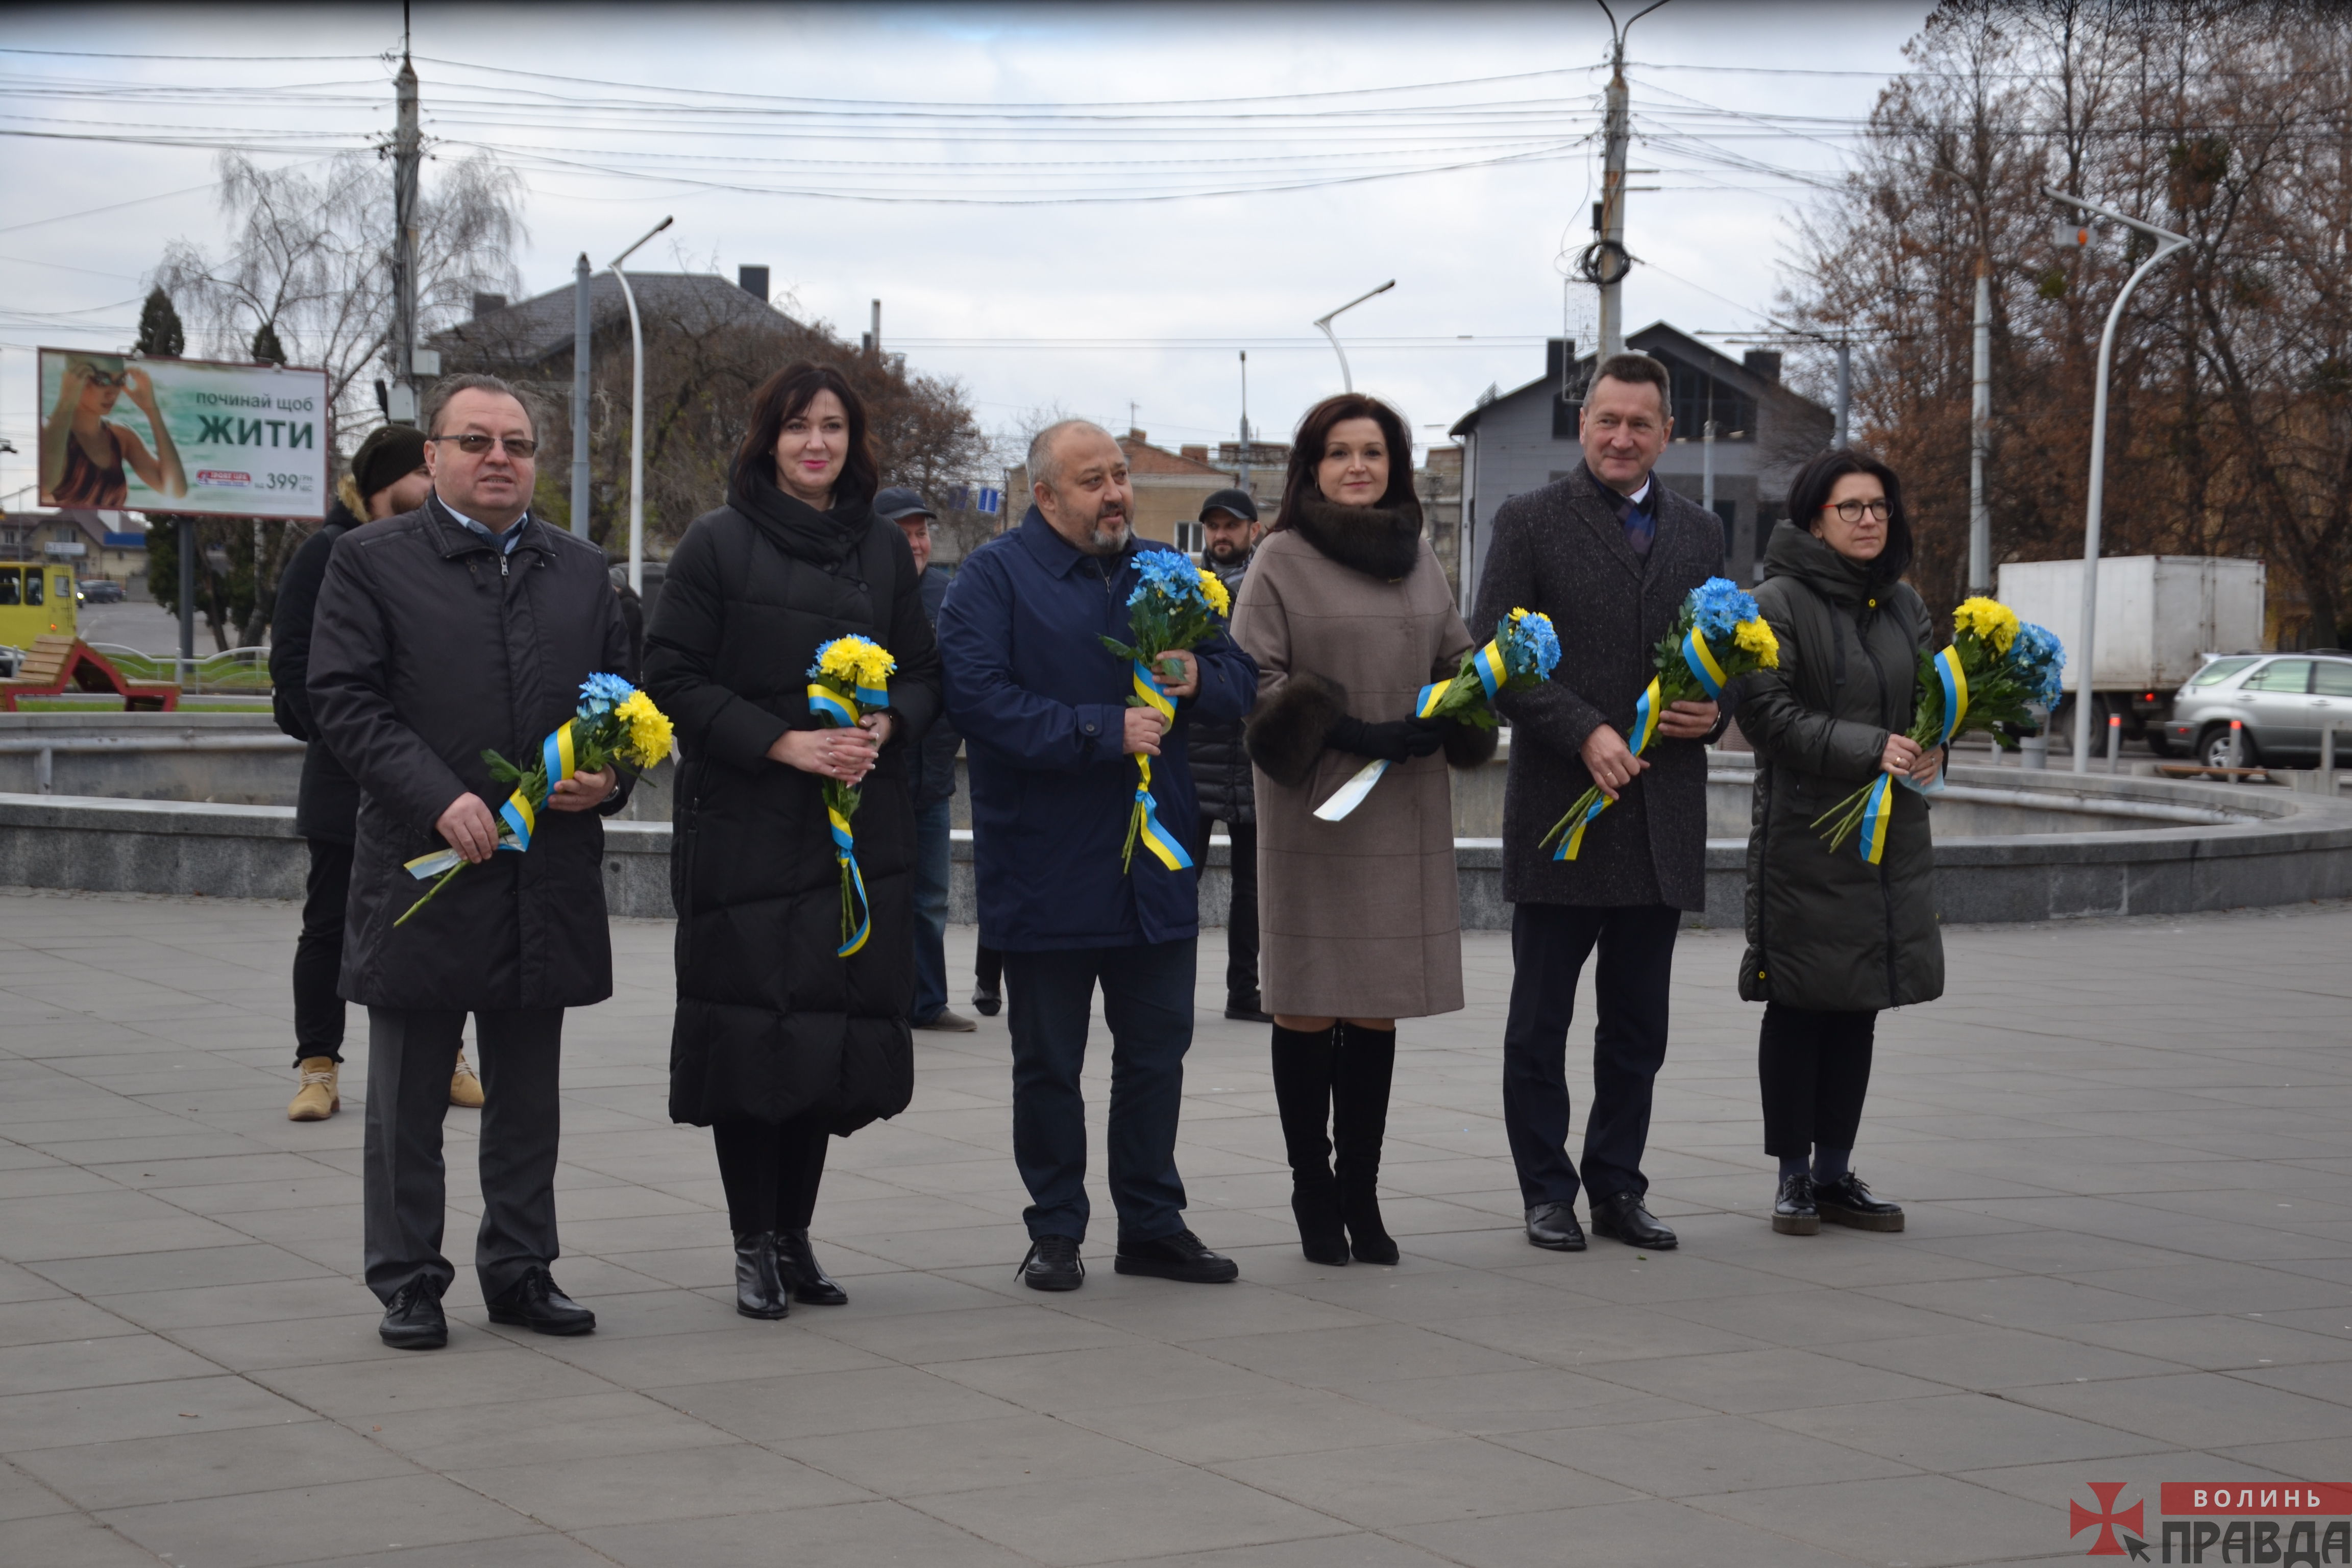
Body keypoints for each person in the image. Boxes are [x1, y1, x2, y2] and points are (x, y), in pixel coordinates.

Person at [309, 374, 634, 1351]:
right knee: (408, 1099)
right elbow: (344, 699)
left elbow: (623, 703)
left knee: (528, 1097)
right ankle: (409, 1280)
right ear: (433, 456)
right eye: (476, 440)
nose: (499, 457)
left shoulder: (583, 570)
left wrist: (608, 776)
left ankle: (522, 1269)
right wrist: (437, 797)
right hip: (425, 871)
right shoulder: (370, 561)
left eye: (517, 444)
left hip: (545, 874)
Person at [645, 365, 940, 1319]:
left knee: (823, 1037)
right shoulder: (717, 542)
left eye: (834, 427)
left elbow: (923, 674)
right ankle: (751, 1243)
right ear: (767, 437)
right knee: (750, 1040)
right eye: (799, 426)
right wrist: (783, 742)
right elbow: (670, 678)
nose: (817, 443)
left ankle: (795, 1237)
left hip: (851, 834)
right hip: (748, 833)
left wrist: (885, 724)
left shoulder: (880, 550)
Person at [937, 419, 1257, 1291]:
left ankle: (1151, 1224)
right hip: (1045, 866)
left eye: (1120, 474)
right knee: (1049, 1063)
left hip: (1156, 866)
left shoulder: (1169, 571)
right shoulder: (993, 579)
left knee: (1155, 1055)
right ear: (1044, 496)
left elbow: (1241, 679)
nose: (1116, 493)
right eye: (1093, 481)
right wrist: (1098, 730)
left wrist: (1201, 676)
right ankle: (1055, 1227)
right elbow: (979, 700)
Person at [1468, 352, 1724, 1255]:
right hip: (1561, 811)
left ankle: (1617, 1185)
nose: (1622, 437)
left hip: (1660, 814)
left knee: (1637, 1028)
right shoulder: (1529, 520)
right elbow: (1493, 657)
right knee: (1540, 1024)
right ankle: (1547, 1191)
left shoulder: (1700, 531)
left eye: (1640, 424)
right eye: (1607, 420)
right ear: (1582, 426)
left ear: (1667, 434)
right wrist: (1581, 729)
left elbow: (1725, 649)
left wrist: (1715, 708)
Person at [1233, 397, 1495, 1266]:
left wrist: (1475, 689)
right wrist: (1347, 730)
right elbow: (1254, 678)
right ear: (1310, 466)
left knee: (1376, 1002)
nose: (1357, 467)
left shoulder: (1418, 558)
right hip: (1316, 802)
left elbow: (1454, 655)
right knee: (1309, 999)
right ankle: (1313, 1190)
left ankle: (1362, 1192)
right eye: (1339, 453)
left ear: (1395, 465)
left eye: (1373, 453)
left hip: (1399, 799)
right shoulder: (1278, 557)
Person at [1736, 449, 1940, 1236]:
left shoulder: (1903, 605)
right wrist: (1870, 747)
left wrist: (1936, 746)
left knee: (1859, 1005)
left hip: (1885, 838)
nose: (1868, 520)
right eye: (1850, 507)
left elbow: (1929, 704)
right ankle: (1792, 1176)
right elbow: (1768, 717)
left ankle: (1834, 1174)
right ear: (1815, 520)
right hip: (1806, 838)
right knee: (1800, 1005)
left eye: (1879, 506)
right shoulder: (1775, 604)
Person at [273, 426, 486, 1121]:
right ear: (382, 485)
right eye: (422, 472)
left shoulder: (444, 553)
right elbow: (297, 676)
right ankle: (318, 1066)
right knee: (329, 928)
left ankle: (448, 1056)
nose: (434, 483)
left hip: (436, 787)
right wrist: (369, 745)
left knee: (438, 926)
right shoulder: (327, 553)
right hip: (349, 784)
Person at [876, 484, 975, 1034]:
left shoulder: (948, 595)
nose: (916, 543)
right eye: (904, 534)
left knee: (931, 896)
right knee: (877, 890)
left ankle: (928, 1002)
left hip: (932, 777)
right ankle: (878, 999)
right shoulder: (859, 592)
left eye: (921, 533)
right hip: (874, 774)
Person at [1187, 488, 1269, 1024]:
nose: (1221, 535)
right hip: (1195, 759)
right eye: (1213, 526)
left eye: (1231, 526)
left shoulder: (1270, 585)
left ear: (1253, 530)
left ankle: (1246, 991)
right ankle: (1170, 988)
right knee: (1180, 881)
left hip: (1254, 756)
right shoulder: (1186, 590)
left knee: (1253, 890)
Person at [40, 354, 185, 508]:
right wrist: (67, 400)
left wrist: (152, 410)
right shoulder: (47, 433)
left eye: (120, 381)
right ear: (74, 379)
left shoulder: (120, 437)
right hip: (65, 522)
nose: (113, 393)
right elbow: (45, 486)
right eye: (102, 380)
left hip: (114, 523)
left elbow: (176, 490)